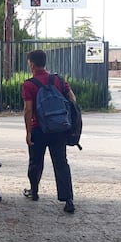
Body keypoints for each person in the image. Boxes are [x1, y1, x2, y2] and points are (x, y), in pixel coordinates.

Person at [21, 49, 76, 213]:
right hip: (59, 128)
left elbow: (28, 110)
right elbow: (72, 99)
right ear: (45, 62)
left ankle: (34, 191)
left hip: (38, 129)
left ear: (31, 64)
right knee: (61, 162)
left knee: (35, 161)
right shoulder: (58, 79)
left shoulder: (29, 84)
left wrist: (28, 131)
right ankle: (68, 199)